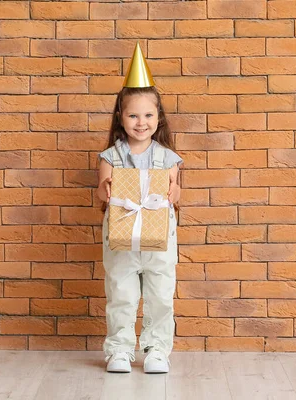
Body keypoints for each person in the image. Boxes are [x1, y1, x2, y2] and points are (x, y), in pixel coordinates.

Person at [96, 43, 183, 374]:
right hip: (121, 242)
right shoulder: (111, 156)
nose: (141, 122)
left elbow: (174, 191)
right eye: (133, 115)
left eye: (148, 115)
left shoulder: (168, 157)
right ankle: (119, 350)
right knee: (122, 296)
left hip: (159, 240)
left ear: (158, 117)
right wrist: (107, 189)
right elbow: (104, 190)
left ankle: (157, 349)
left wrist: (173, 191)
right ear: (121, 117)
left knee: (161, 296)